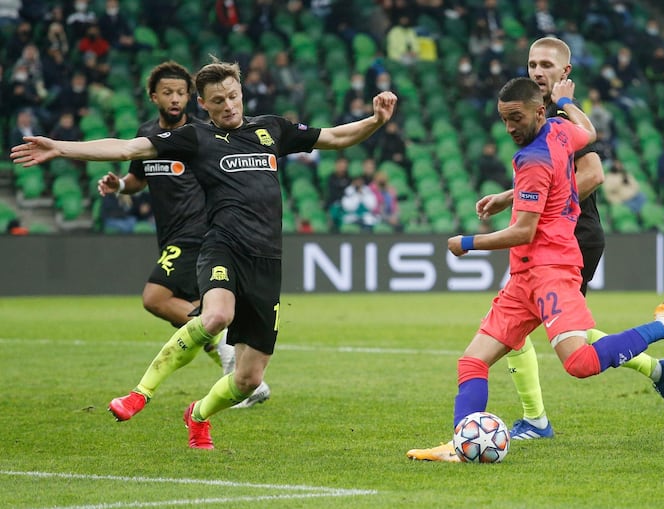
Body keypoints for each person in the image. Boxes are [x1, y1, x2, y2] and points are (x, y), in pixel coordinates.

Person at [12, 58, 398, 449]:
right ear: (203, 104)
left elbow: (333, 137)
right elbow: (128, 147)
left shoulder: (272, 129)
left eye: (233, 96)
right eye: (218, 100)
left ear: (241, 93)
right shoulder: (195, 138)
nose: (228, 105)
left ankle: (197, 415)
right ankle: (139, 394)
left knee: (249, 379)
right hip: (222, 246)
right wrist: (59, 148)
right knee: (216, 316)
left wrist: (375, 121)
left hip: (266, 261)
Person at [406, 77, 664, 462]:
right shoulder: (559, 129)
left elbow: (524, 230)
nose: (509, 128)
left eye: (516, 118)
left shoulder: (532, 159)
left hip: (553, 270)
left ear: (538, 111)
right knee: (472, 360)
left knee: (580, 363)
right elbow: (587, 131)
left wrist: (466, 243)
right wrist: (568, 102)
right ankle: (461, 444)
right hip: (524, 277)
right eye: (504, 119)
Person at [501, 37, 664, 442]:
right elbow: (545, 179)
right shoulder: (537, 115)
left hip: (571, 238)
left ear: (566, 73)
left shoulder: (568, 119)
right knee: (562, 331)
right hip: (552, 240)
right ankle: (658, 369)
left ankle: (535, 421)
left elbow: (592, 175)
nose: (537, 71)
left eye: (547, 64)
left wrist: (537, 210)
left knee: (518, 330)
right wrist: (511, 197)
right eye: (532, 63)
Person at [96, 62, 272, 421]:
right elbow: (137, 178)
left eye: (181, 92)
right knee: (197, 307)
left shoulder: (201, 135)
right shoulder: (150, 133)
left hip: (200, 232)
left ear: (192, 98)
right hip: (171, 233)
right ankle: (235, 365)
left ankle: (223, 354)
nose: (175, 99)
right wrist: (119, 187)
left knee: (155, 298)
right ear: (153, 96)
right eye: (167, 92)